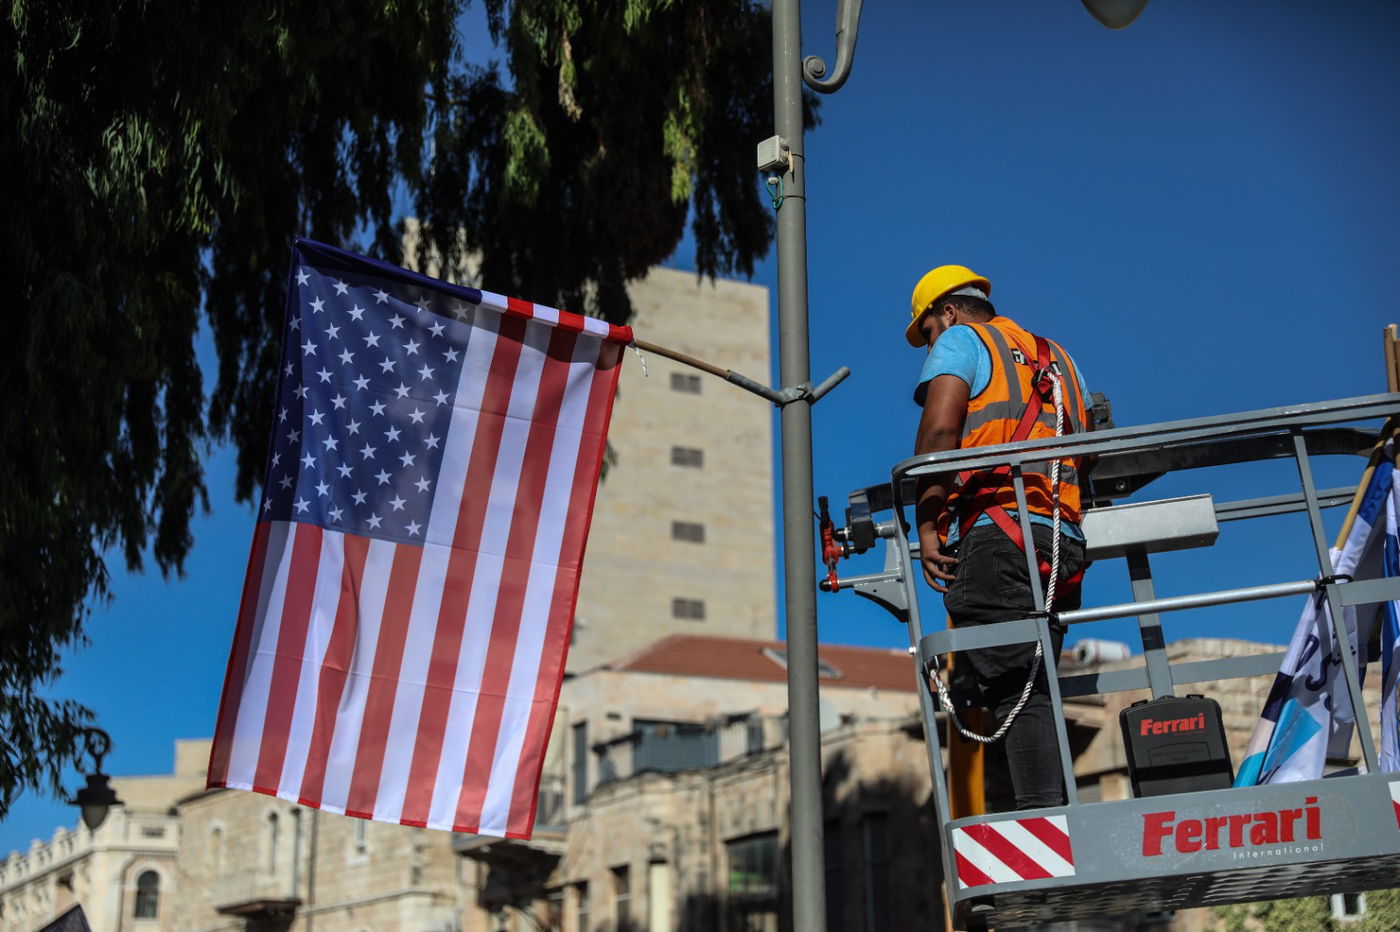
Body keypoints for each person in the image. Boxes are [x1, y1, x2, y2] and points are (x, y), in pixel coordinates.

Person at [907, 265, 1092, 810]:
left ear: (948, 312)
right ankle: (1047, 814)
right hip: (1059, 539)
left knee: (1016, 685)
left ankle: (1044, 823)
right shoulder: (1057, 356)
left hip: (998, 535)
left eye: (929, 335)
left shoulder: (963, 339)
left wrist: (928, 522)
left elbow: (940, 433)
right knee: (1033, 680)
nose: (931, 346)